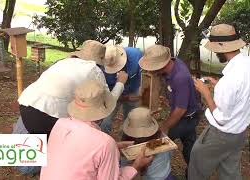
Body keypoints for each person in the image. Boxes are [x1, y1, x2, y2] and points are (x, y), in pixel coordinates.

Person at [12, 40, 128, 175]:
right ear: (101, 60)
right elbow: (106, 104)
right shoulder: (94, 70)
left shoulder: (63, 61)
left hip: (27, 103)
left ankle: (17, 144)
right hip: (48, 116)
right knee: (28, 167)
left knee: (21, 150)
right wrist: (120, 83)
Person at [188, 24, 250, 180]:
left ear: (222, 46)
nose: (215, 52)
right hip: (240, 132)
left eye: (215, 49)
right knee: (230, 171)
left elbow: (221, 119)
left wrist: (206, 93)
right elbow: (244, 90)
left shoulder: (228, 81)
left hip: (221, 135)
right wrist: (218, 85)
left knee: (196, 161)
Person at [40, 80, 153, 180]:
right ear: (103, 111)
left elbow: (76, 152)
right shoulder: (105, 143)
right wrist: (136, 166)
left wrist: (115, 146)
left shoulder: (60, 123)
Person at [138, 45, 201, 167]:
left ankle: (158, 171)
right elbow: (176, 91)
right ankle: (195, 170)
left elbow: (181, 109)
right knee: (190, 147)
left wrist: (164, 127)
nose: (150, 71)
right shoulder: (174, 62)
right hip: (188, 114)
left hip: (187, 118)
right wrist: (169, 98)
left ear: (162, 65)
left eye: (152, 68)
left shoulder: (180, 77)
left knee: (157, 140)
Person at [121, 107, 174, 180]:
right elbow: (170, 154)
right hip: (164, 176)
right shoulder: (162, 139)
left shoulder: (125, 147)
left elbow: (124, 167)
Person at [100, 45, 143, 134]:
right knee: (105, 123)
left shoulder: (136, 55)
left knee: (130, 119)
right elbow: (106, 97)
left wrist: (141, 90)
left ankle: (127, 136)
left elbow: (143, 74)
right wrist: (125, 98)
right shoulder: (100, 71)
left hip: (132, 91)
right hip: (112, 94)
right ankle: (105, 141)